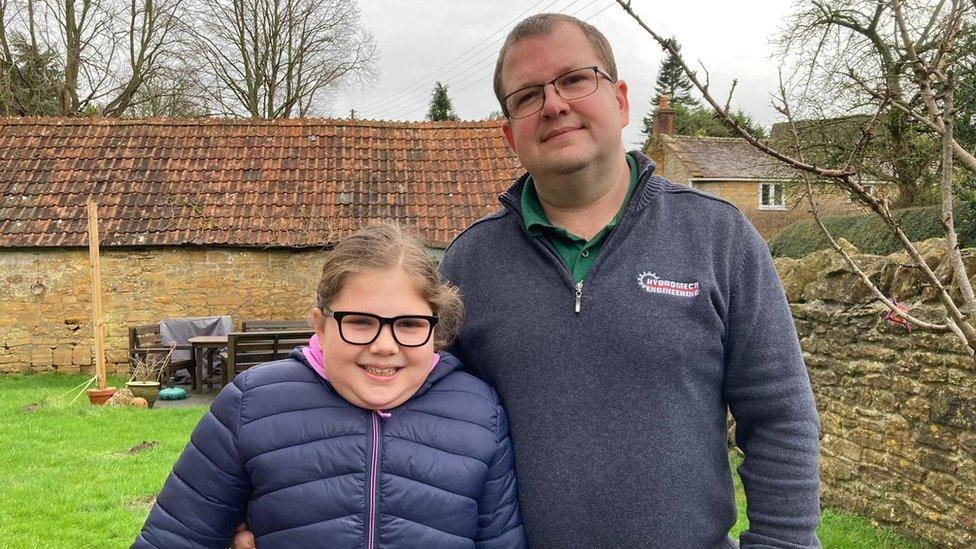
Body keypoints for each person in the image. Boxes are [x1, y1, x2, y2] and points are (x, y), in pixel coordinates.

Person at [438, 13, 821, 548]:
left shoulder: (718, 237)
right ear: (509, 134)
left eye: (574, 79)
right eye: (526, 96)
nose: (553, 104)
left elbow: (779, 416)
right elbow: (424, 418)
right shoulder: (467, 265)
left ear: (620, 100)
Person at [134, 224, 526, 548]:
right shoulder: (250, 405)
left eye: (408, 324)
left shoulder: (480, 415)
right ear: (320, 325)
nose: (384, 346)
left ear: (435, 329)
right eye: (359, 321)